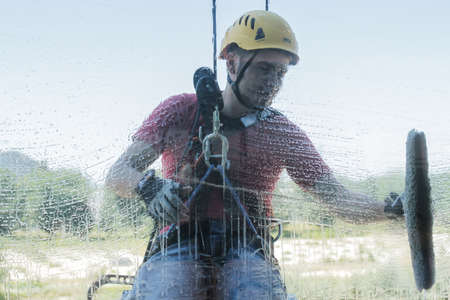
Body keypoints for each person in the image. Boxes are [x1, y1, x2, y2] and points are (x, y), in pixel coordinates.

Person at [106, 10, 403, 300]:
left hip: (247, 247)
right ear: (233, 64)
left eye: (281, 72)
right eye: (264, 68)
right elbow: (118, 174)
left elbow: (336, 197)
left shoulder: (281, 131)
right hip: (178, 242)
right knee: (171, 291)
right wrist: (148, 187)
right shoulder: (180, 110)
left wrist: (392, 210)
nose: (273, 81)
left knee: (253, 292)